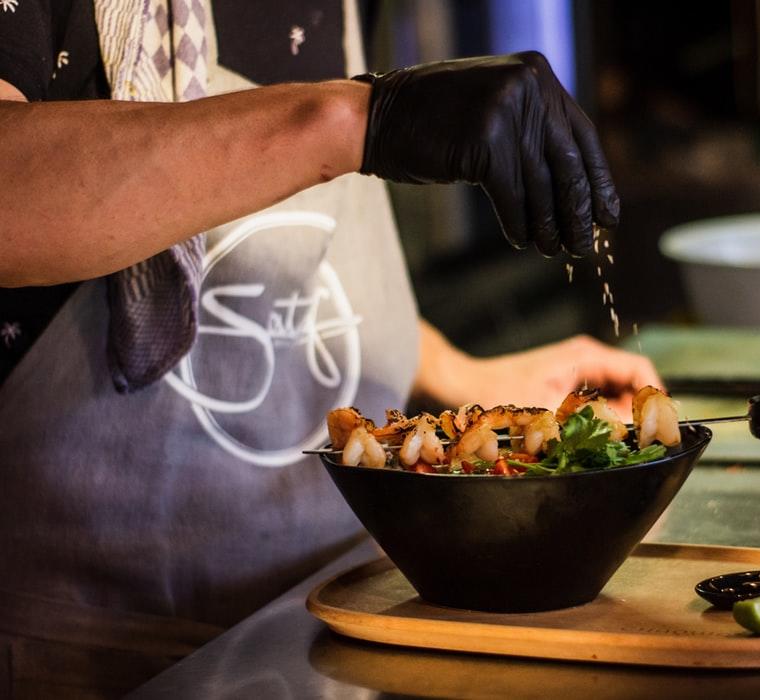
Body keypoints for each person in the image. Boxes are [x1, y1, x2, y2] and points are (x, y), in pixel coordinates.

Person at [0, 1, 660, 695]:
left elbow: (286, 254)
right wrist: (355, 118)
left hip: (350, 616)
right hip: (102, 652)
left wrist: (452, 372)